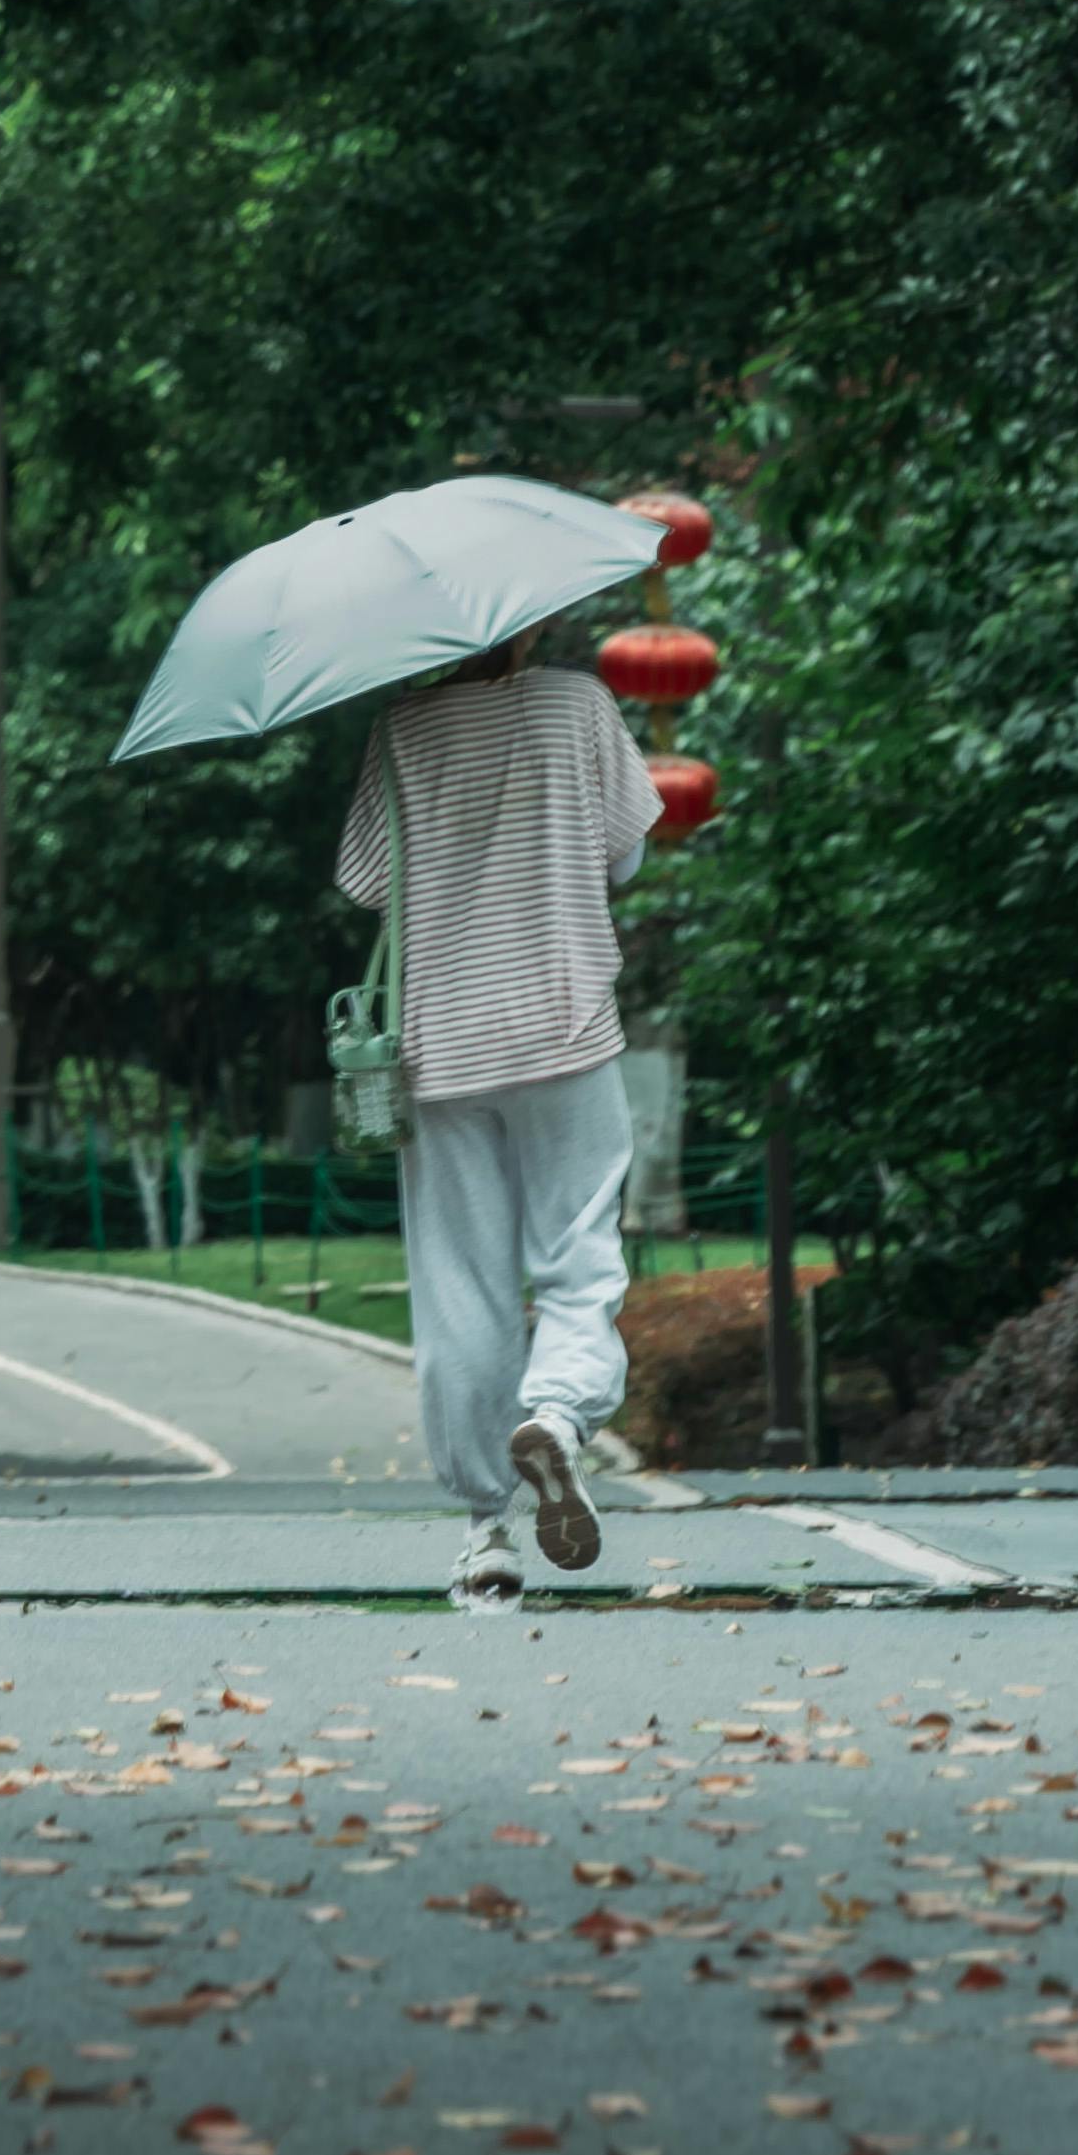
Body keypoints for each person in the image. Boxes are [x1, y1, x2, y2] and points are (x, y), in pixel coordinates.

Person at [335, 625, 661, 1601]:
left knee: (460, 1283)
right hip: (563, 1030)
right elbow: (625, 859)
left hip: (441, 1046)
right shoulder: (579, 703)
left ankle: (486, 1527)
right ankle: (557, 1418)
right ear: (521, 618)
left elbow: (364, 882)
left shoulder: (399, 728)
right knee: (577, 1254)